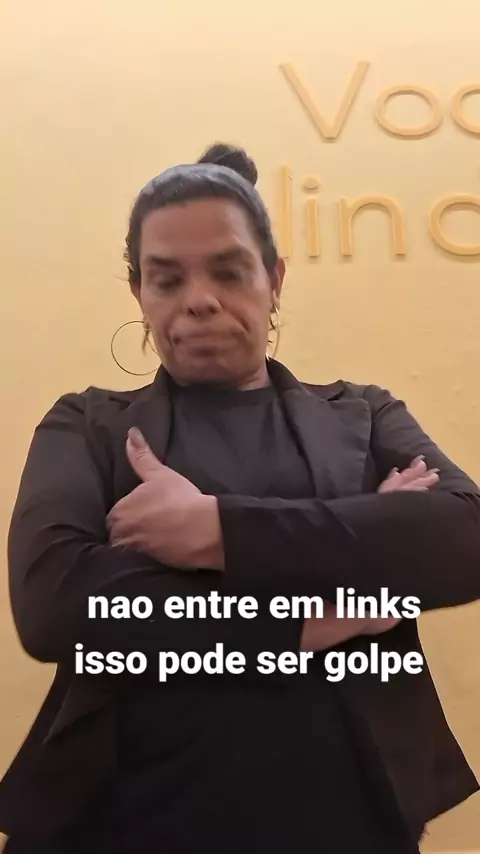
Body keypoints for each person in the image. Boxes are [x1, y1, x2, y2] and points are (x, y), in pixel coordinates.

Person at [1, 143, 479, 854]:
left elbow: (464, 538)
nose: (199, 298)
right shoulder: (88, 425)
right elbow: (56, 603)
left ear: (274, 279)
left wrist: (217, 530)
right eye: (167, 278)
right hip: (118, 822)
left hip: (351, 821)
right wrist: (308, 620)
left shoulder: (364, 413)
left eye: (229, 271)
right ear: (139, 292)